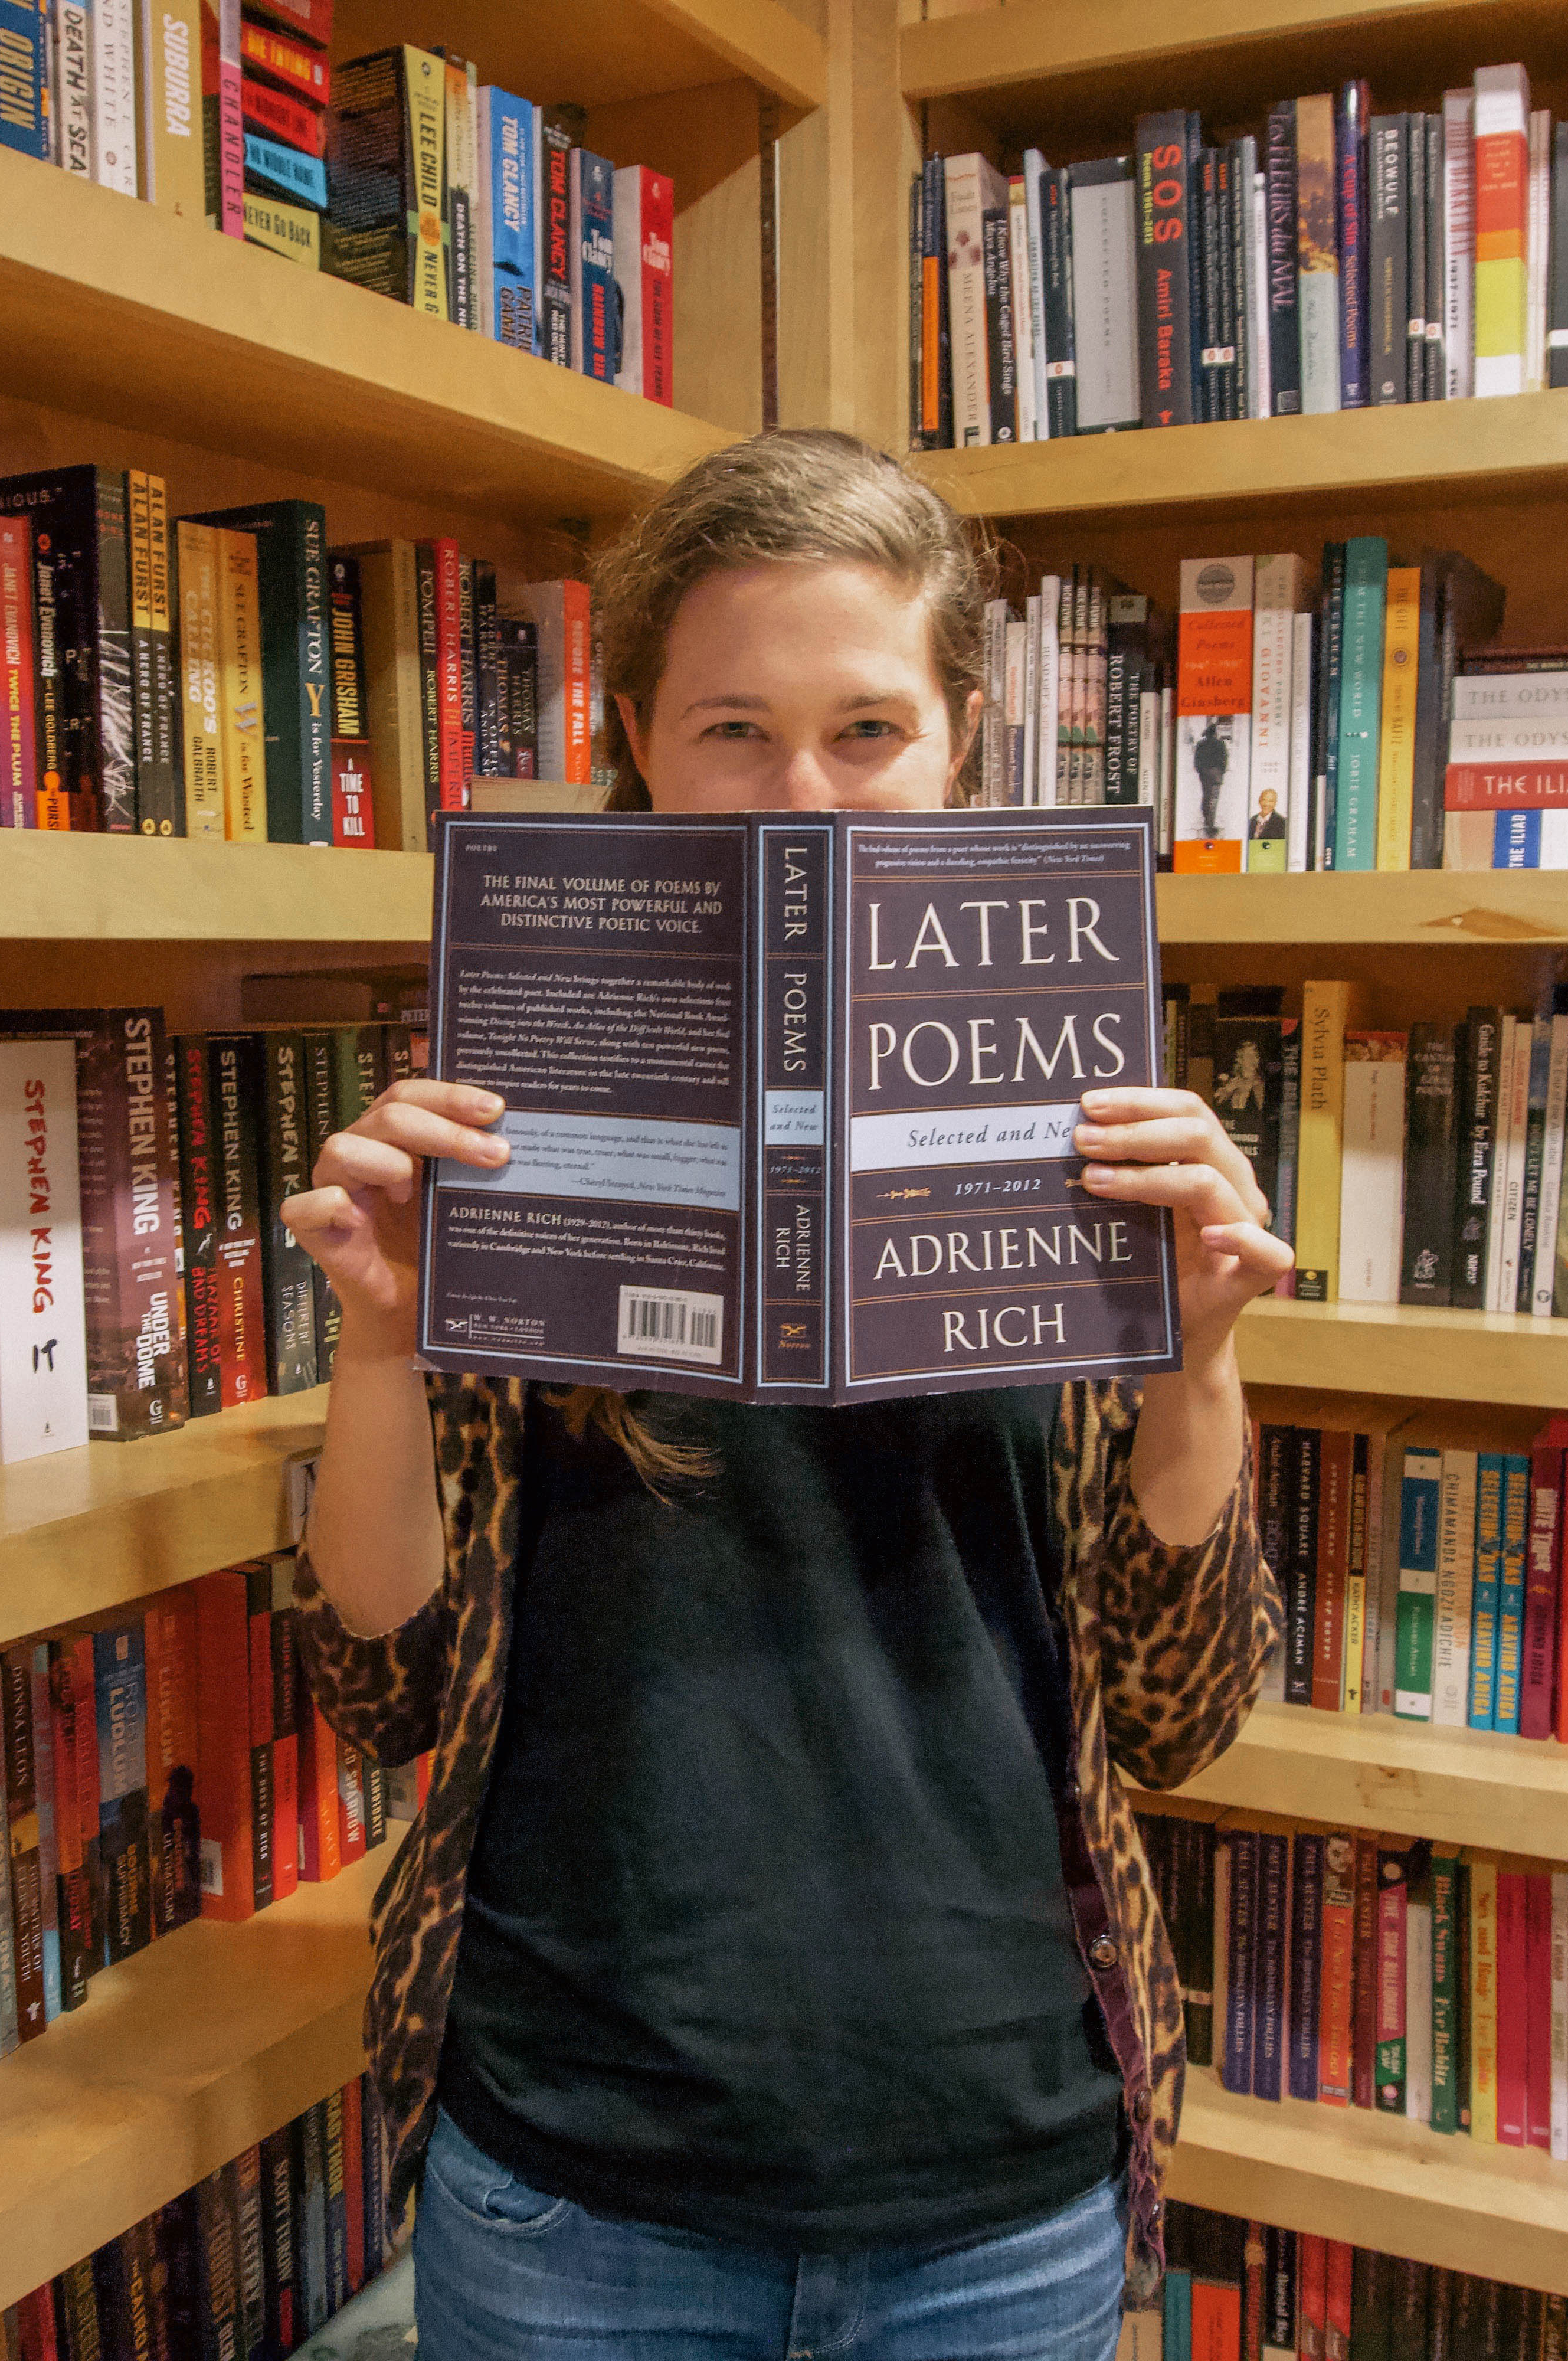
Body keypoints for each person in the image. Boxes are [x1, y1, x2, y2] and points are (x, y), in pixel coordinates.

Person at [280, 429, 1289, 2361]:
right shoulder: (511, 1110)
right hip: (582, 2177)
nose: (801, 794)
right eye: (735, 729)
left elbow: (1182, 1717)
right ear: (640, 740)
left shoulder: (1086, 1119)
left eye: (866, 729)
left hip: (996, 2185)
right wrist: (391, 1339)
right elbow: (381, 1688)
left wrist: (1196, 1363)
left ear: (962, 736)